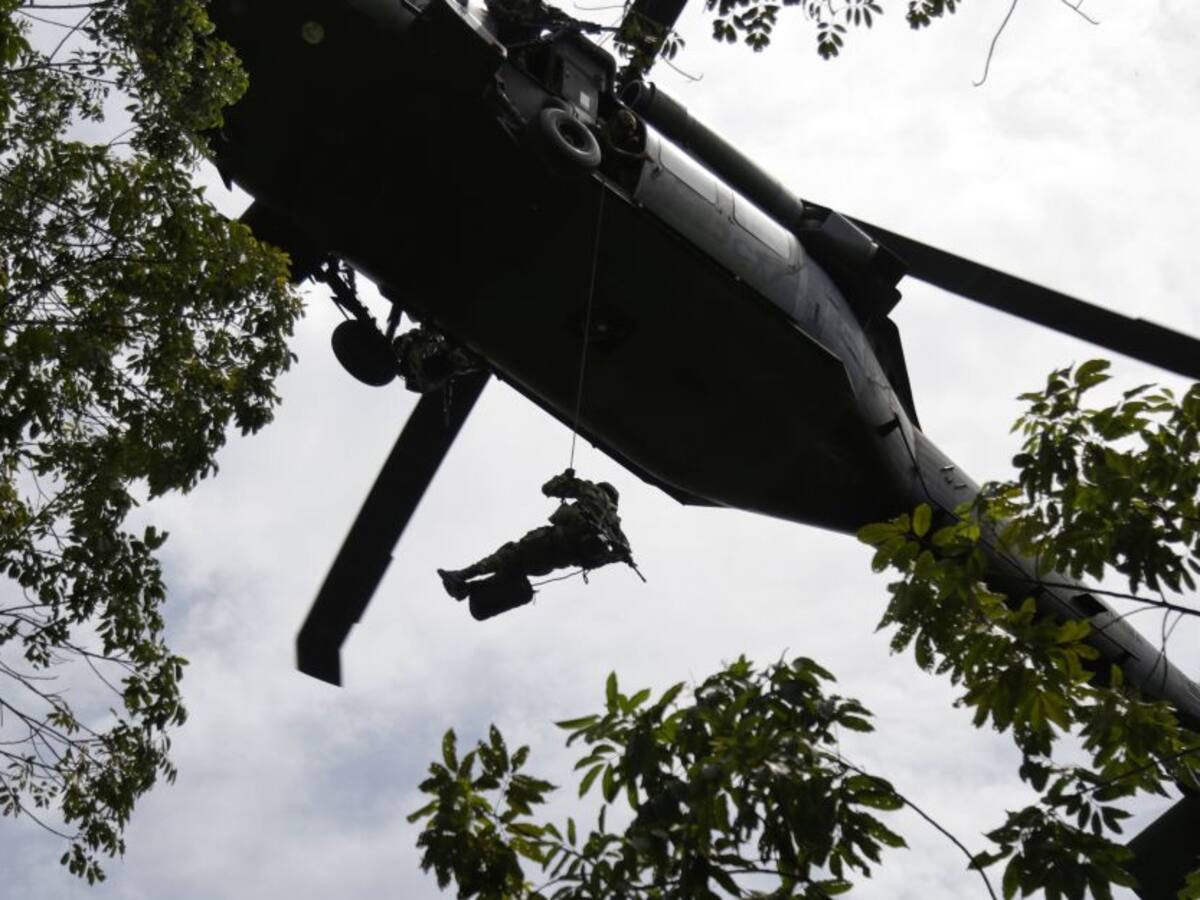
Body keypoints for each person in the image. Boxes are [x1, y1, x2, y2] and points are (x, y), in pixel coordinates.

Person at [437, 469, 635, 611]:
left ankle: (462, 575)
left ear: (602, 488)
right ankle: (467, 589)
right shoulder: (615, 526)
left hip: (549, 542)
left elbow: (548, 488)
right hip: (558, 561)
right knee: (516, 570)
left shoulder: (591, 490)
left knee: (510, 555)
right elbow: (624, 552)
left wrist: (565, 477)